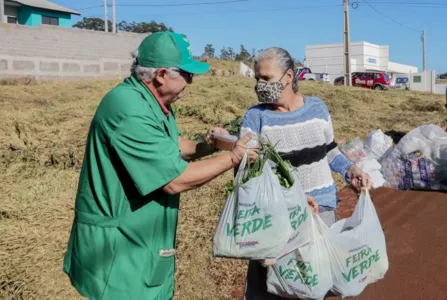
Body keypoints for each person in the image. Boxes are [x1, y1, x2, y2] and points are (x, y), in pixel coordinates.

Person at [62, 31, 258, 300]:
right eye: (187, 75)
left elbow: (172, 145)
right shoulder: (129, 109)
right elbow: (174, 180)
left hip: (141, 235)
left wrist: (210, 144)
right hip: (117, 246)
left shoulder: (151, 100)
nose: (190, 83)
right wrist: (233, 157)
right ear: (162, 74)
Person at [241, 47, 371, 299]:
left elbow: (331, 151)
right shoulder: (255, 117)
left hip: (322, 212)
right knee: (273, 287)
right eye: (257, 79)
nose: (260, 85)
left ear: (288, 77)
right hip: (279, 219)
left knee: (315, 283)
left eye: (266, 78)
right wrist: (292, 200)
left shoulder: (317, 109)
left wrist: (351, 170)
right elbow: (250, 171)